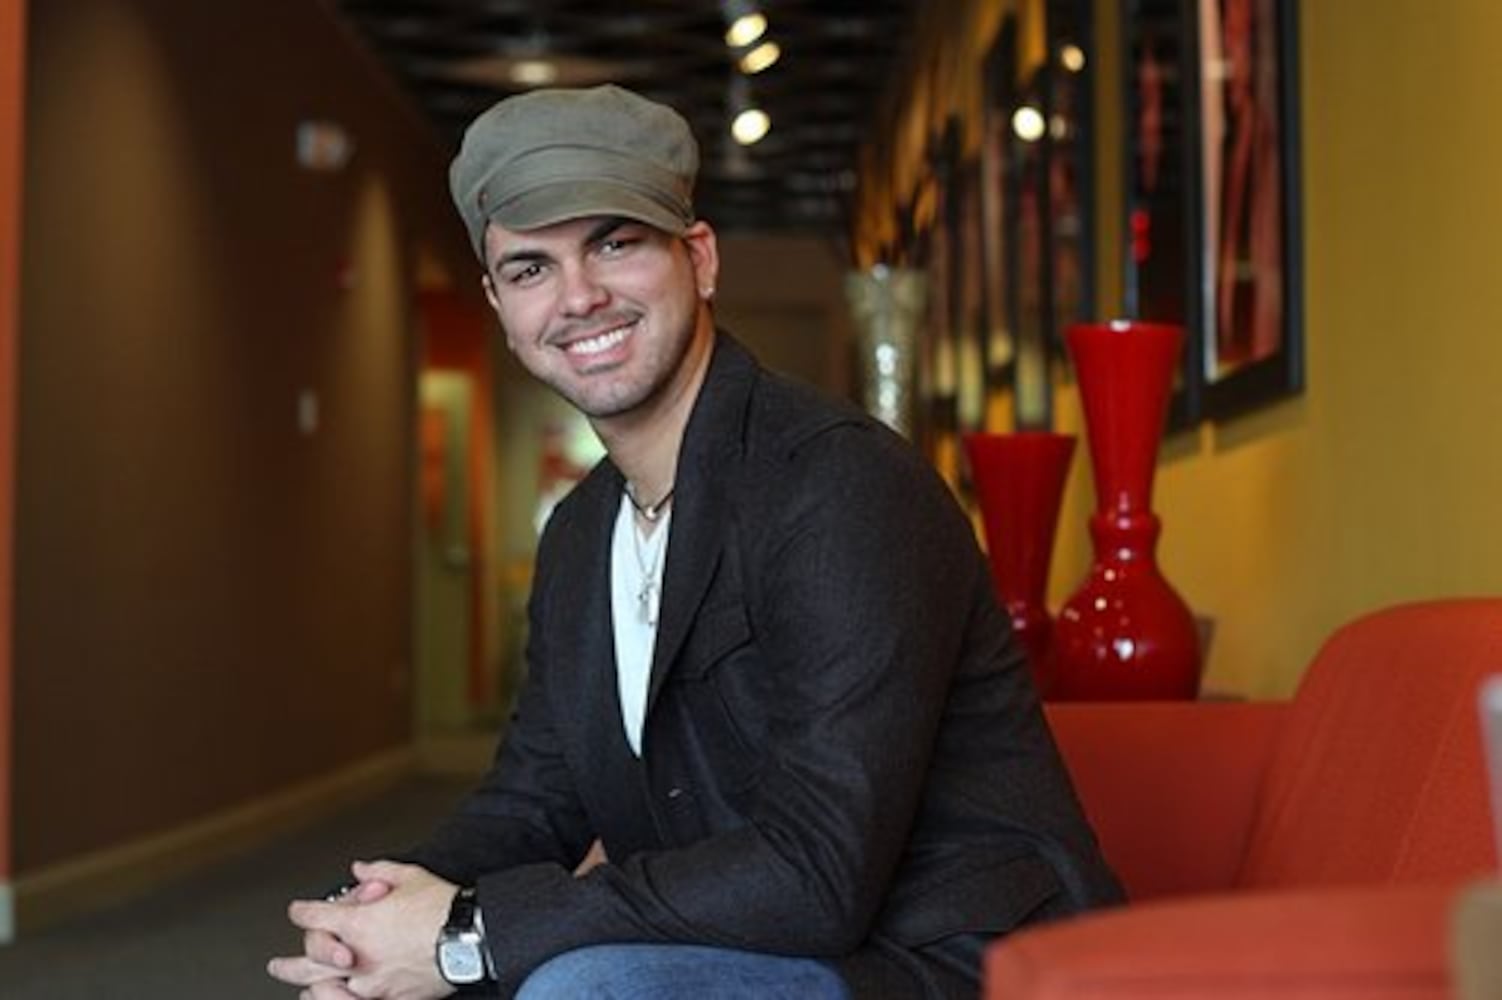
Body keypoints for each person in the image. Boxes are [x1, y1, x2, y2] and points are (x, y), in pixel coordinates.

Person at [267, 83, 1122, 1000]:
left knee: (579, 989)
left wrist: (469, 936)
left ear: (700, 258)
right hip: (761, 946)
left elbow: (817, 874)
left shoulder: (840, 485)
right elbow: (536, 800)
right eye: (531, 269)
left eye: (616, 243)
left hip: (959, 960)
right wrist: (376, 917)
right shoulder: (581, 534)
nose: (579, 297)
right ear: (501, 307)